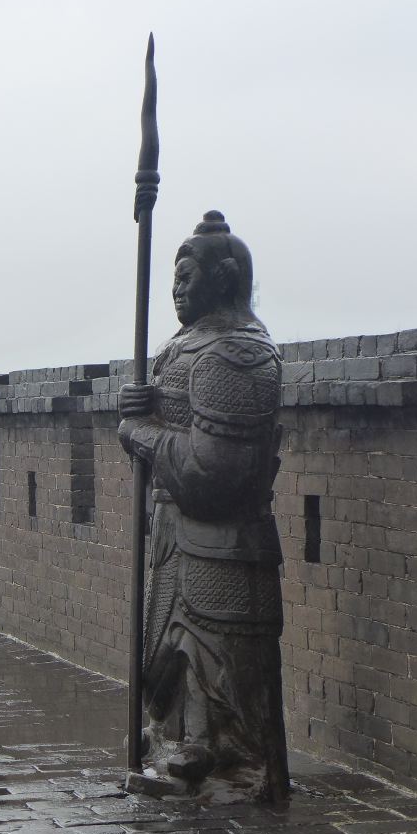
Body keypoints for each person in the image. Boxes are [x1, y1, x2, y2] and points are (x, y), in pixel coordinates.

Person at [118, 210, 289, 802]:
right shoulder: (189, 347)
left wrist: (138, 432)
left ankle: (230, 774)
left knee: (220, 672)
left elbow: (215, 476)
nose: (176, 286)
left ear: (224, 277)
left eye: (188, 274)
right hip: (177, 541)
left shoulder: (235, 355)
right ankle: (180, 756)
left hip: (221, 547)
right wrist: (142, 404)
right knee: (168, 664)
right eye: (173, 275)